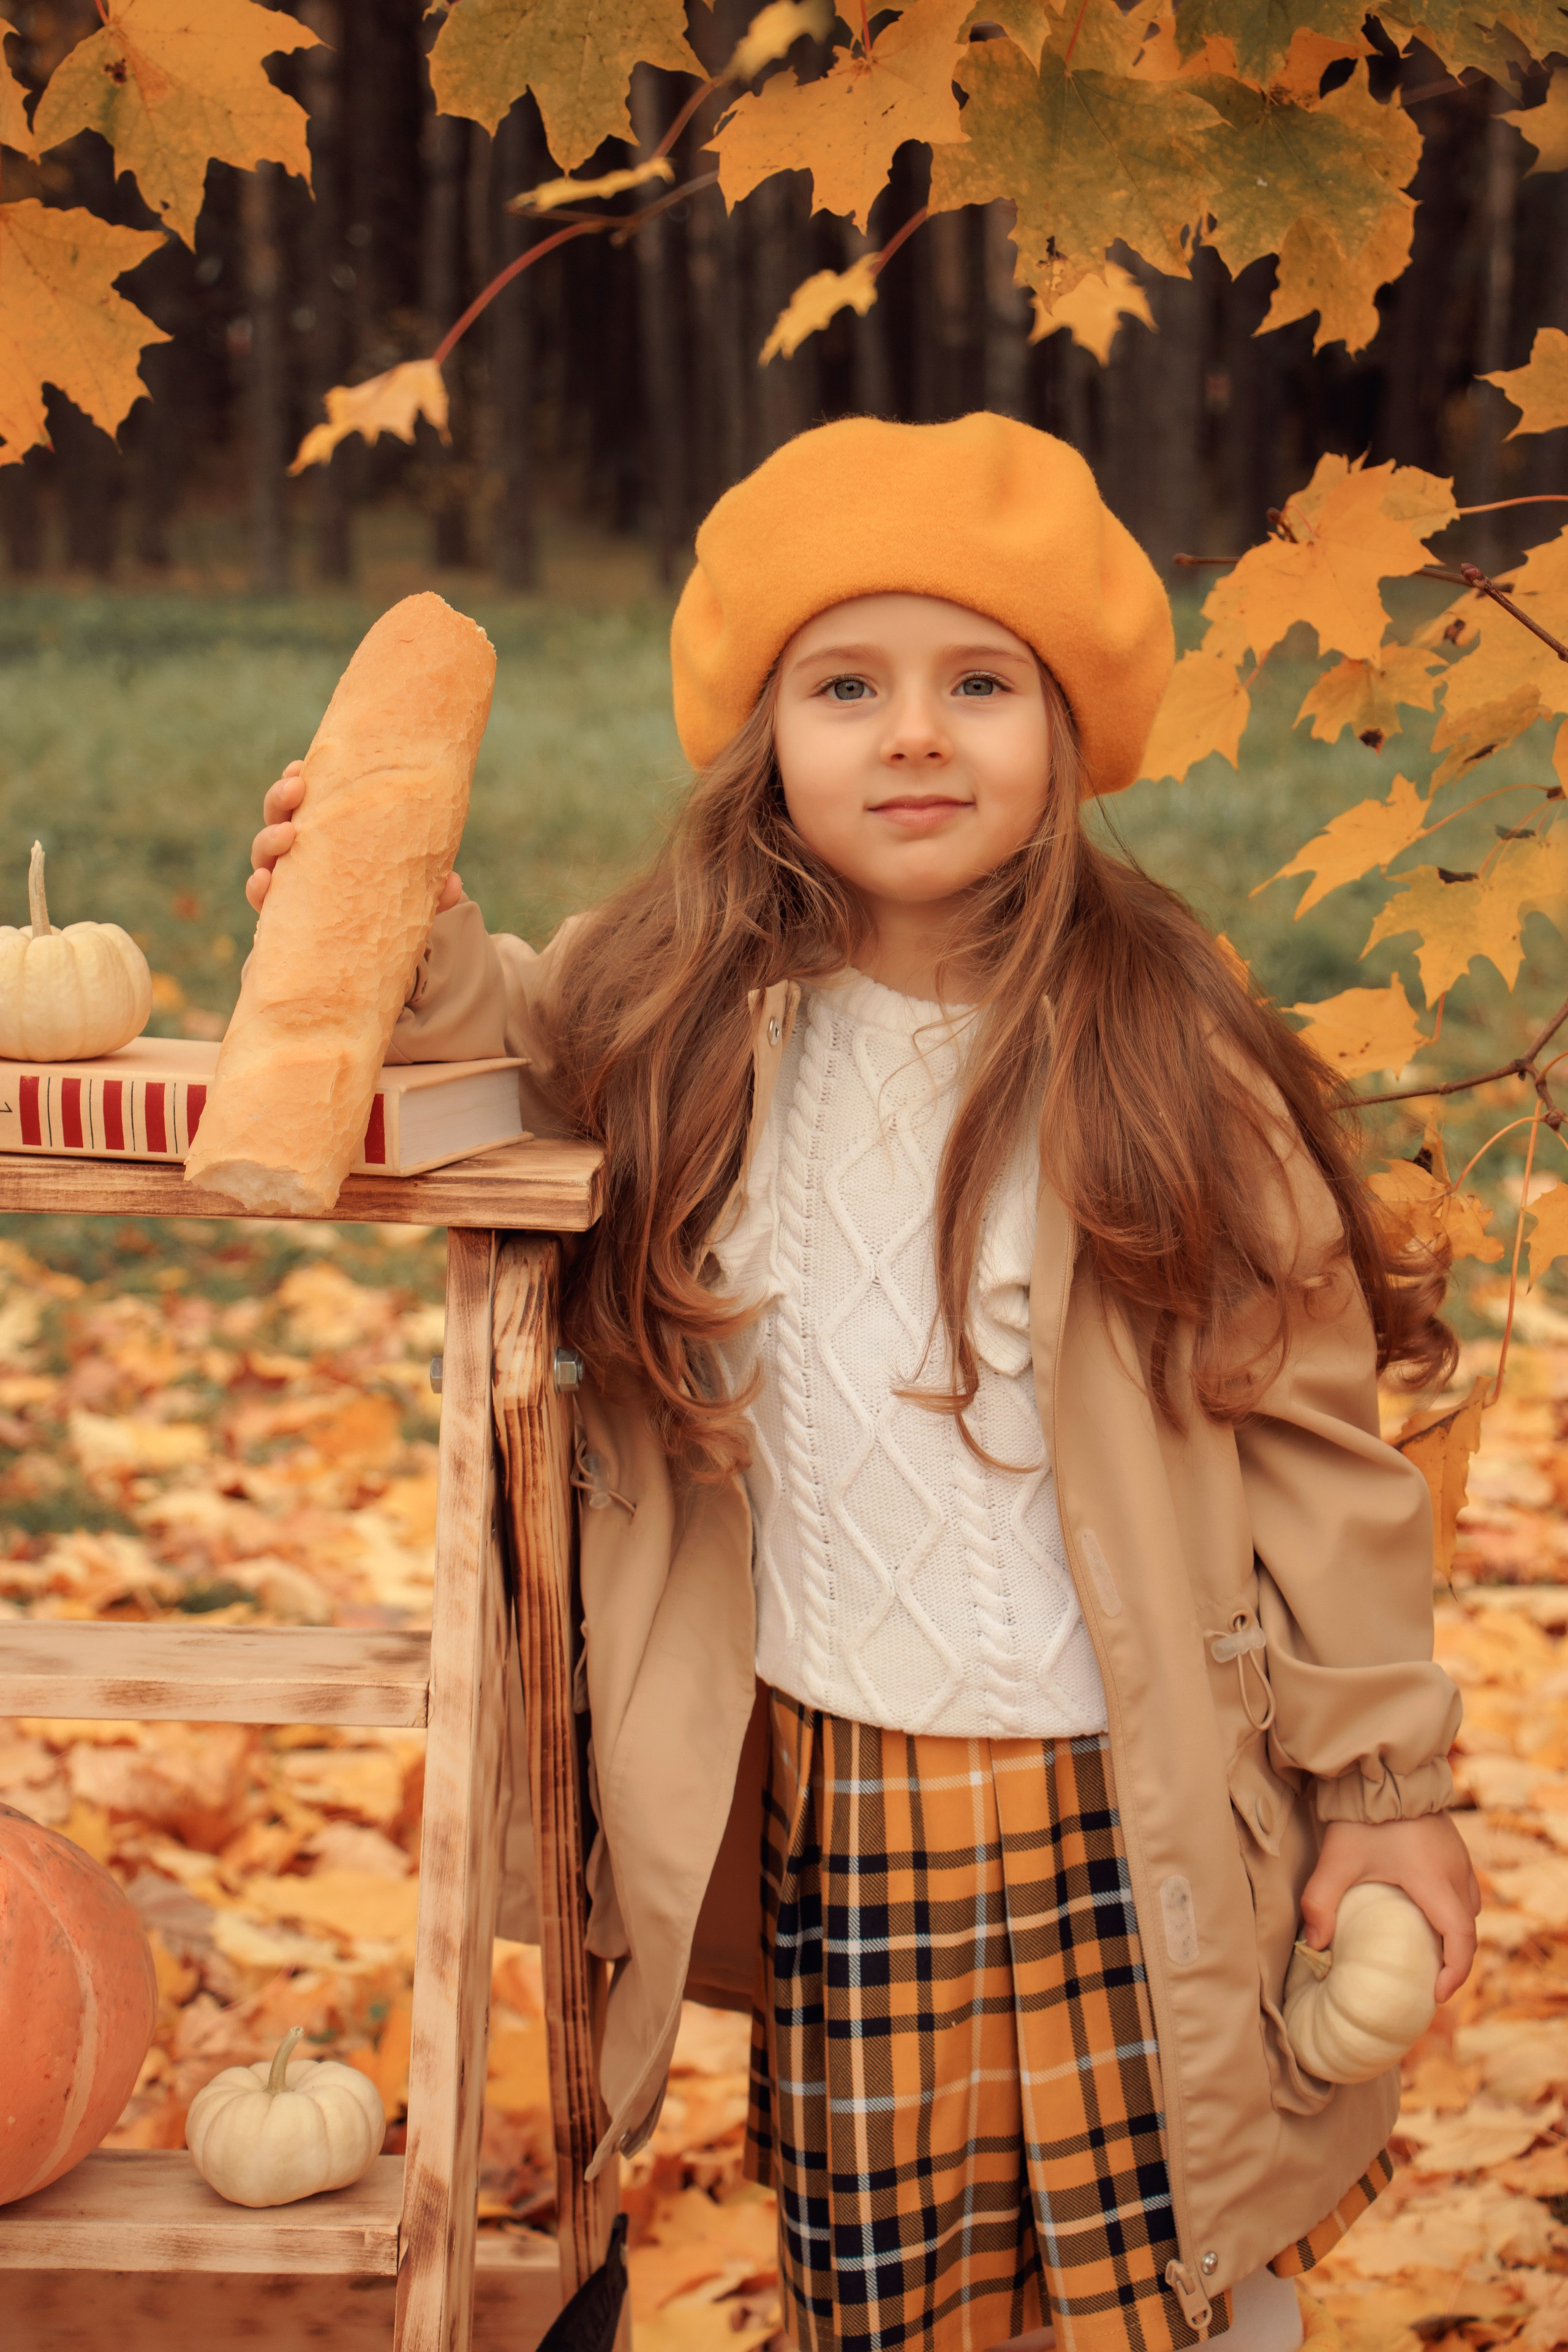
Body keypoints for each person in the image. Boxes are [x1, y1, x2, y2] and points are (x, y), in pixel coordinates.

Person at [249, 416, 1479, 2352]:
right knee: (884, 2294)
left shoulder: (1169, 1048)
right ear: (766, 742)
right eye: (849, 686)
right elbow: (482, 1062)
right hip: (852, 1803)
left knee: (1182, 2266)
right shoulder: (662, 1015)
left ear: (1068, 733)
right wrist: (394, 930)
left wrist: (1387, 1786)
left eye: (979, 683)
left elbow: (1316, 1441)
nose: (915, 734)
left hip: (1137, 1797)